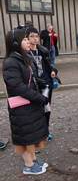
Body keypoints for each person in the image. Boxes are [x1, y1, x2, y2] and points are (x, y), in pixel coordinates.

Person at [2, 29, 49, 175]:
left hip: (29, 104)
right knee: (25, 136)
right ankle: (28, 166)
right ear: (15, 43)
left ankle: (33, 160)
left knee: (32, 134)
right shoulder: (11, 61)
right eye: (24, 40)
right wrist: (40, 98)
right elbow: (18, 87)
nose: (28, 41)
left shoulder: (23, 57)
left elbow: (30, 77)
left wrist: (40, 82)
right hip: (21, 106)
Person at [26, 27, 58, 139]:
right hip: (34, 85)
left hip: (46, 83)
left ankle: (46, 131)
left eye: (36, 36)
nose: (35, 38)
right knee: (35, 109)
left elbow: (50, 64)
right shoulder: (25, 53)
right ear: (26, 37)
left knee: (47, 108)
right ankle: (36, 132)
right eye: (32, 36)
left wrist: (53, 71)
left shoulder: (43, 50)